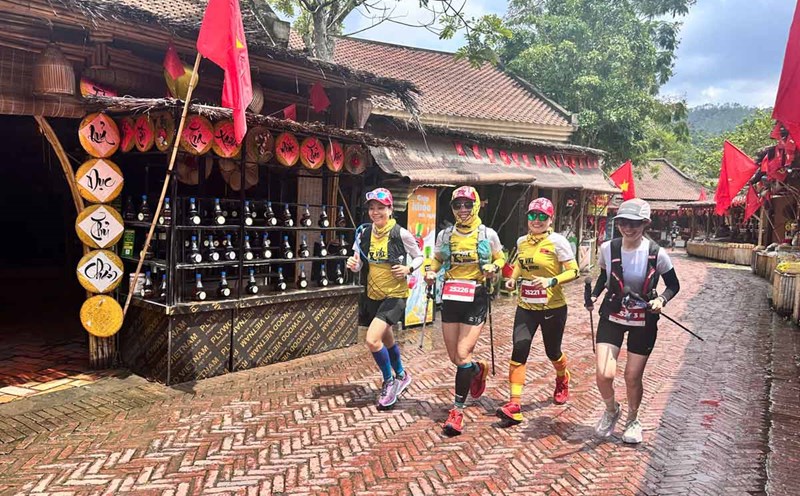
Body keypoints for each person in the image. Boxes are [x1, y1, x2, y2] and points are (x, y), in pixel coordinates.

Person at [586, 198, 680, 444]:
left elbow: (673, 285)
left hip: (643, 318)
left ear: (645, 224)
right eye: (624, 223)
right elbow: (605, 276)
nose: (629, 228)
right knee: (604, 373)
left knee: (632, 376)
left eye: (635, 223)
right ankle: (611, 410)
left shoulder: (657, 253)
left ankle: (633, 419)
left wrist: (661, 300)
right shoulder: (608, 248)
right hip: (613, 314)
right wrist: (595, 295)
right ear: (618, 224)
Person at [424, 186, 506, 436]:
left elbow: (501, 258)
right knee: (455, 358)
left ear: (477, 205)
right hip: (451, 295)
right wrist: (430, 270)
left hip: (476, 296)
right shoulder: (446, 234)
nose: (462, 210)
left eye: (467, 204)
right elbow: (437, 258)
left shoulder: (487, 233)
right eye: (457, 205)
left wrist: (494, 266)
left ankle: (457, 411)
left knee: (462, 352)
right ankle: (476, 369)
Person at [496, 198, 580, 426]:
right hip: (526, 306)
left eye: (542, 216)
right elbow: (520, 265)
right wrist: (512, 279)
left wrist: (552, 280)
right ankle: (514, 403)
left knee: (552, 351)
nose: (537, 220)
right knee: (519, 347)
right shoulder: (522, 241)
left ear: (550, 219)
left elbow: (574, 271)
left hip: (553, 307)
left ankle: (562, 377)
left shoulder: (557, 241)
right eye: (533, 215)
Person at [346, 188, 423, 410]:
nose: (375, 212)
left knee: (372, 340)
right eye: (372, 208)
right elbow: (359, 262)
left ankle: (389, 382)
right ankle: (402, 374)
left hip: (395, 296)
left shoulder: (401, 234)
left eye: (381, 208)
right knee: (387, 339)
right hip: (373, 295)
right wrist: (353, 265)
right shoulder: (364, 234)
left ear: (390, 209)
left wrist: (408, 269)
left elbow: (420, 256)